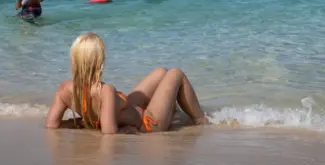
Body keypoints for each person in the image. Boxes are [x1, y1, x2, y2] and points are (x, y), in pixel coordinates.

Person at [45, 32, 208, 134]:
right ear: (100, 61)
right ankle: (201, 120)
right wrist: (122, 129)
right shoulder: (105, 91)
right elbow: (109, 132)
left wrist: (81, 123)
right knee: (175, 73)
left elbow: (52, 125)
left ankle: (172, 109)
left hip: (127, 109)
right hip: (148, 123)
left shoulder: (64, 90)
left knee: (161, 72)